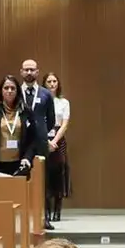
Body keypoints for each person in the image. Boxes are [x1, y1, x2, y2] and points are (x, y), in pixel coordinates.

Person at [0, 75, 42, 180]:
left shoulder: (26, 112)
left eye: (13, 88)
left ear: (17, 91)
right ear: (1, 91)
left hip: (20, 164)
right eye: (6, 88)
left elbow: (33, 139)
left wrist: (27, 158)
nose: (9, 91)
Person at [42, 72, 73, 225]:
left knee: (59, 173)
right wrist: (46, 141)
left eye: (54, 81)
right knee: (44, 174)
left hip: (58, 139)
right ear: (44, 84)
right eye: (49, 81)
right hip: (43, 139)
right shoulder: (41, 101)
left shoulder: (63, 102)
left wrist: (54, 141)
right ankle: (46, 210)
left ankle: (57, 210)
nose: (52, 84)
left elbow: (65, 124)